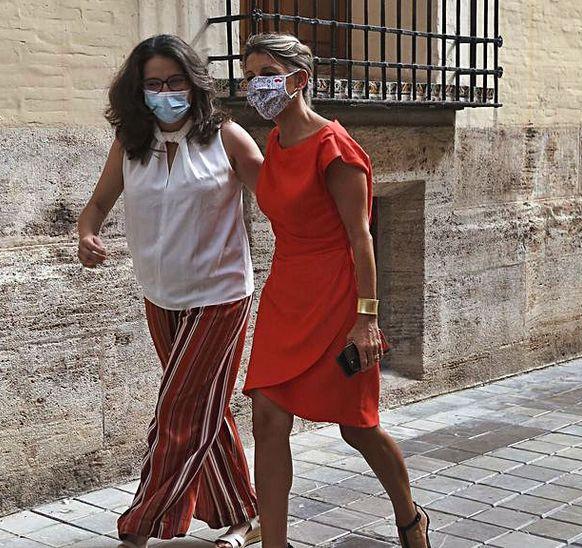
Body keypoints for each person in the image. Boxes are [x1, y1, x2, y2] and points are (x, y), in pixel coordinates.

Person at [240, 33, 431, 548]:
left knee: (357, 426)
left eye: (264, 73)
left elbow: (361, 235)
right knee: (268, 420)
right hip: (286, 294)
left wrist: (367, 318)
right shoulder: (275, 143)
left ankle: (411, 518)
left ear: (299, 80)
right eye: (249, 73)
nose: (253, 84)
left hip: (337, 298)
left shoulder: (335, 148)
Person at [76, 34, 266, 548]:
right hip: (159, 295)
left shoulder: (226, 137)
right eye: (153, 83)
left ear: (193, 82)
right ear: (138, 91)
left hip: (221, 294)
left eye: (174, 81)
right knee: (204, 406)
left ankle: (140, 525)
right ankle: (246, 514)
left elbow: (279, 197)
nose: (165, 92)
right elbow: (94, 209)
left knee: (180, 410)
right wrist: (87, 236)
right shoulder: (130, 145)